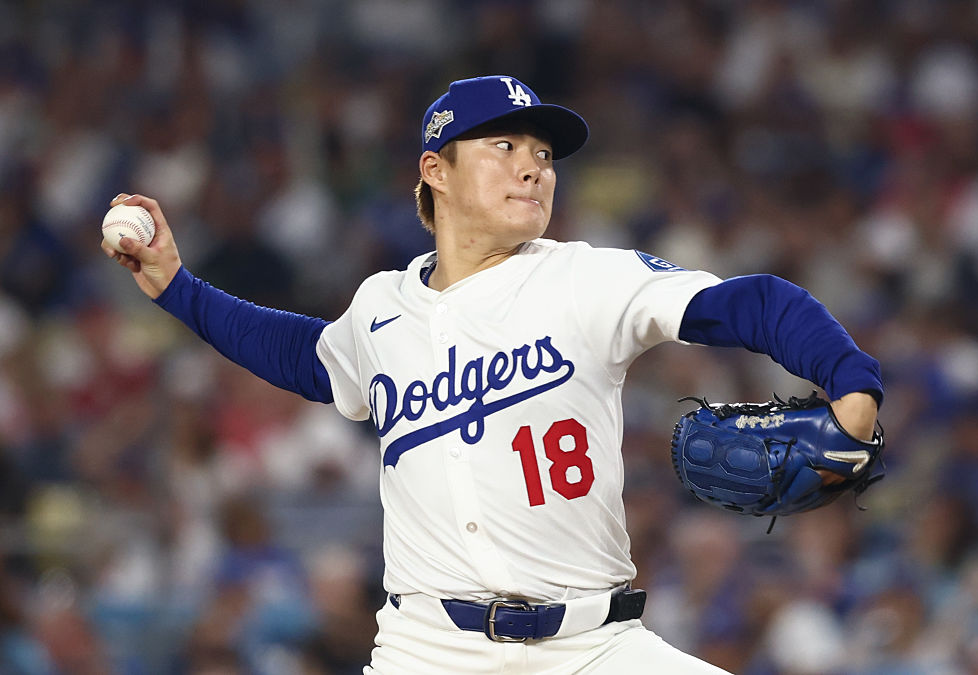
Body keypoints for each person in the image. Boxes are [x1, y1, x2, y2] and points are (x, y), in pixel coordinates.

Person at [102, 75, 882, 674]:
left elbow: (752, 302)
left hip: (593, 646)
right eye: (503, 148)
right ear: (435, 171)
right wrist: (179, 288)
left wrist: (851, 383)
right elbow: (307, 357)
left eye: (542, 154)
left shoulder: (585, 277)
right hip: (430, 648)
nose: (533, 168)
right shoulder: (382, 307)